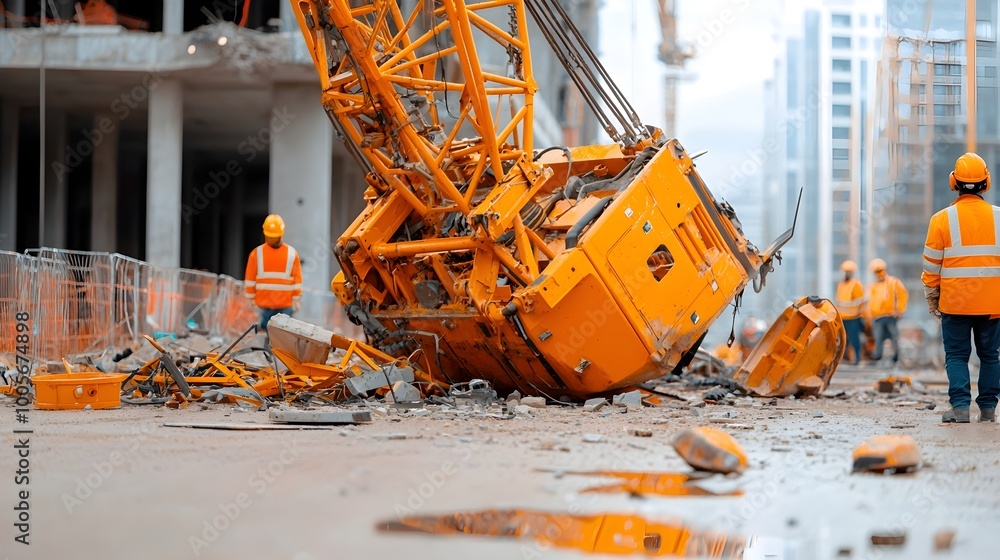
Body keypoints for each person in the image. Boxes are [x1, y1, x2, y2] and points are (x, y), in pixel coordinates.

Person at [922, 152, 1000, 423]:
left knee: (956, 355)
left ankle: (960, 407)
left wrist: (933, 295)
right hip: (992, 304)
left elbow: (931, 267)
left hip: (956, 302)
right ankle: (988, 409)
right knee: (990, 356)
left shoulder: (940, 219)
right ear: (986, 182)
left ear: (953, 181)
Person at [245, 214, 303, 332]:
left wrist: (296, 299)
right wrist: (250, 299)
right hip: (265, 305)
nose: (272, 240)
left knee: (280, 336)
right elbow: (250, 279)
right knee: (268, 334)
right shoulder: (257, 253)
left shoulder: (291, 253)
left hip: (282, 304)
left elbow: (297, 280)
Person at [866, 258, 908, 366]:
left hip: (890, 316)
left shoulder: (893, 282)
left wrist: (899, 310)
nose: (878, 273)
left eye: (879, 270)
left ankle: (896, 357)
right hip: (878, 317)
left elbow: (902, 296)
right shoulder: (873, 286)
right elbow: (871, 302)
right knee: (878, 338)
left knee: (894, 336)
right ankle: (878, 357)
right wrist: (870, 315)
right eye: (876, 271)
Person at [835, 260, 866, 365]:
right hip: (843, 317)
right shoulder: (841, 285)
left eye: (847, 271)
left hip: (853, 317)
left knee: (854, 339)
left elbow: (861, 301)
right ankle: (843, 359)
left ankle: (857, 359)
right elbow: (839, 301)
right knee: (843, 340)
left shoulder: (855, 284)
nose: (845, 273)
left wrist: (860, 314)